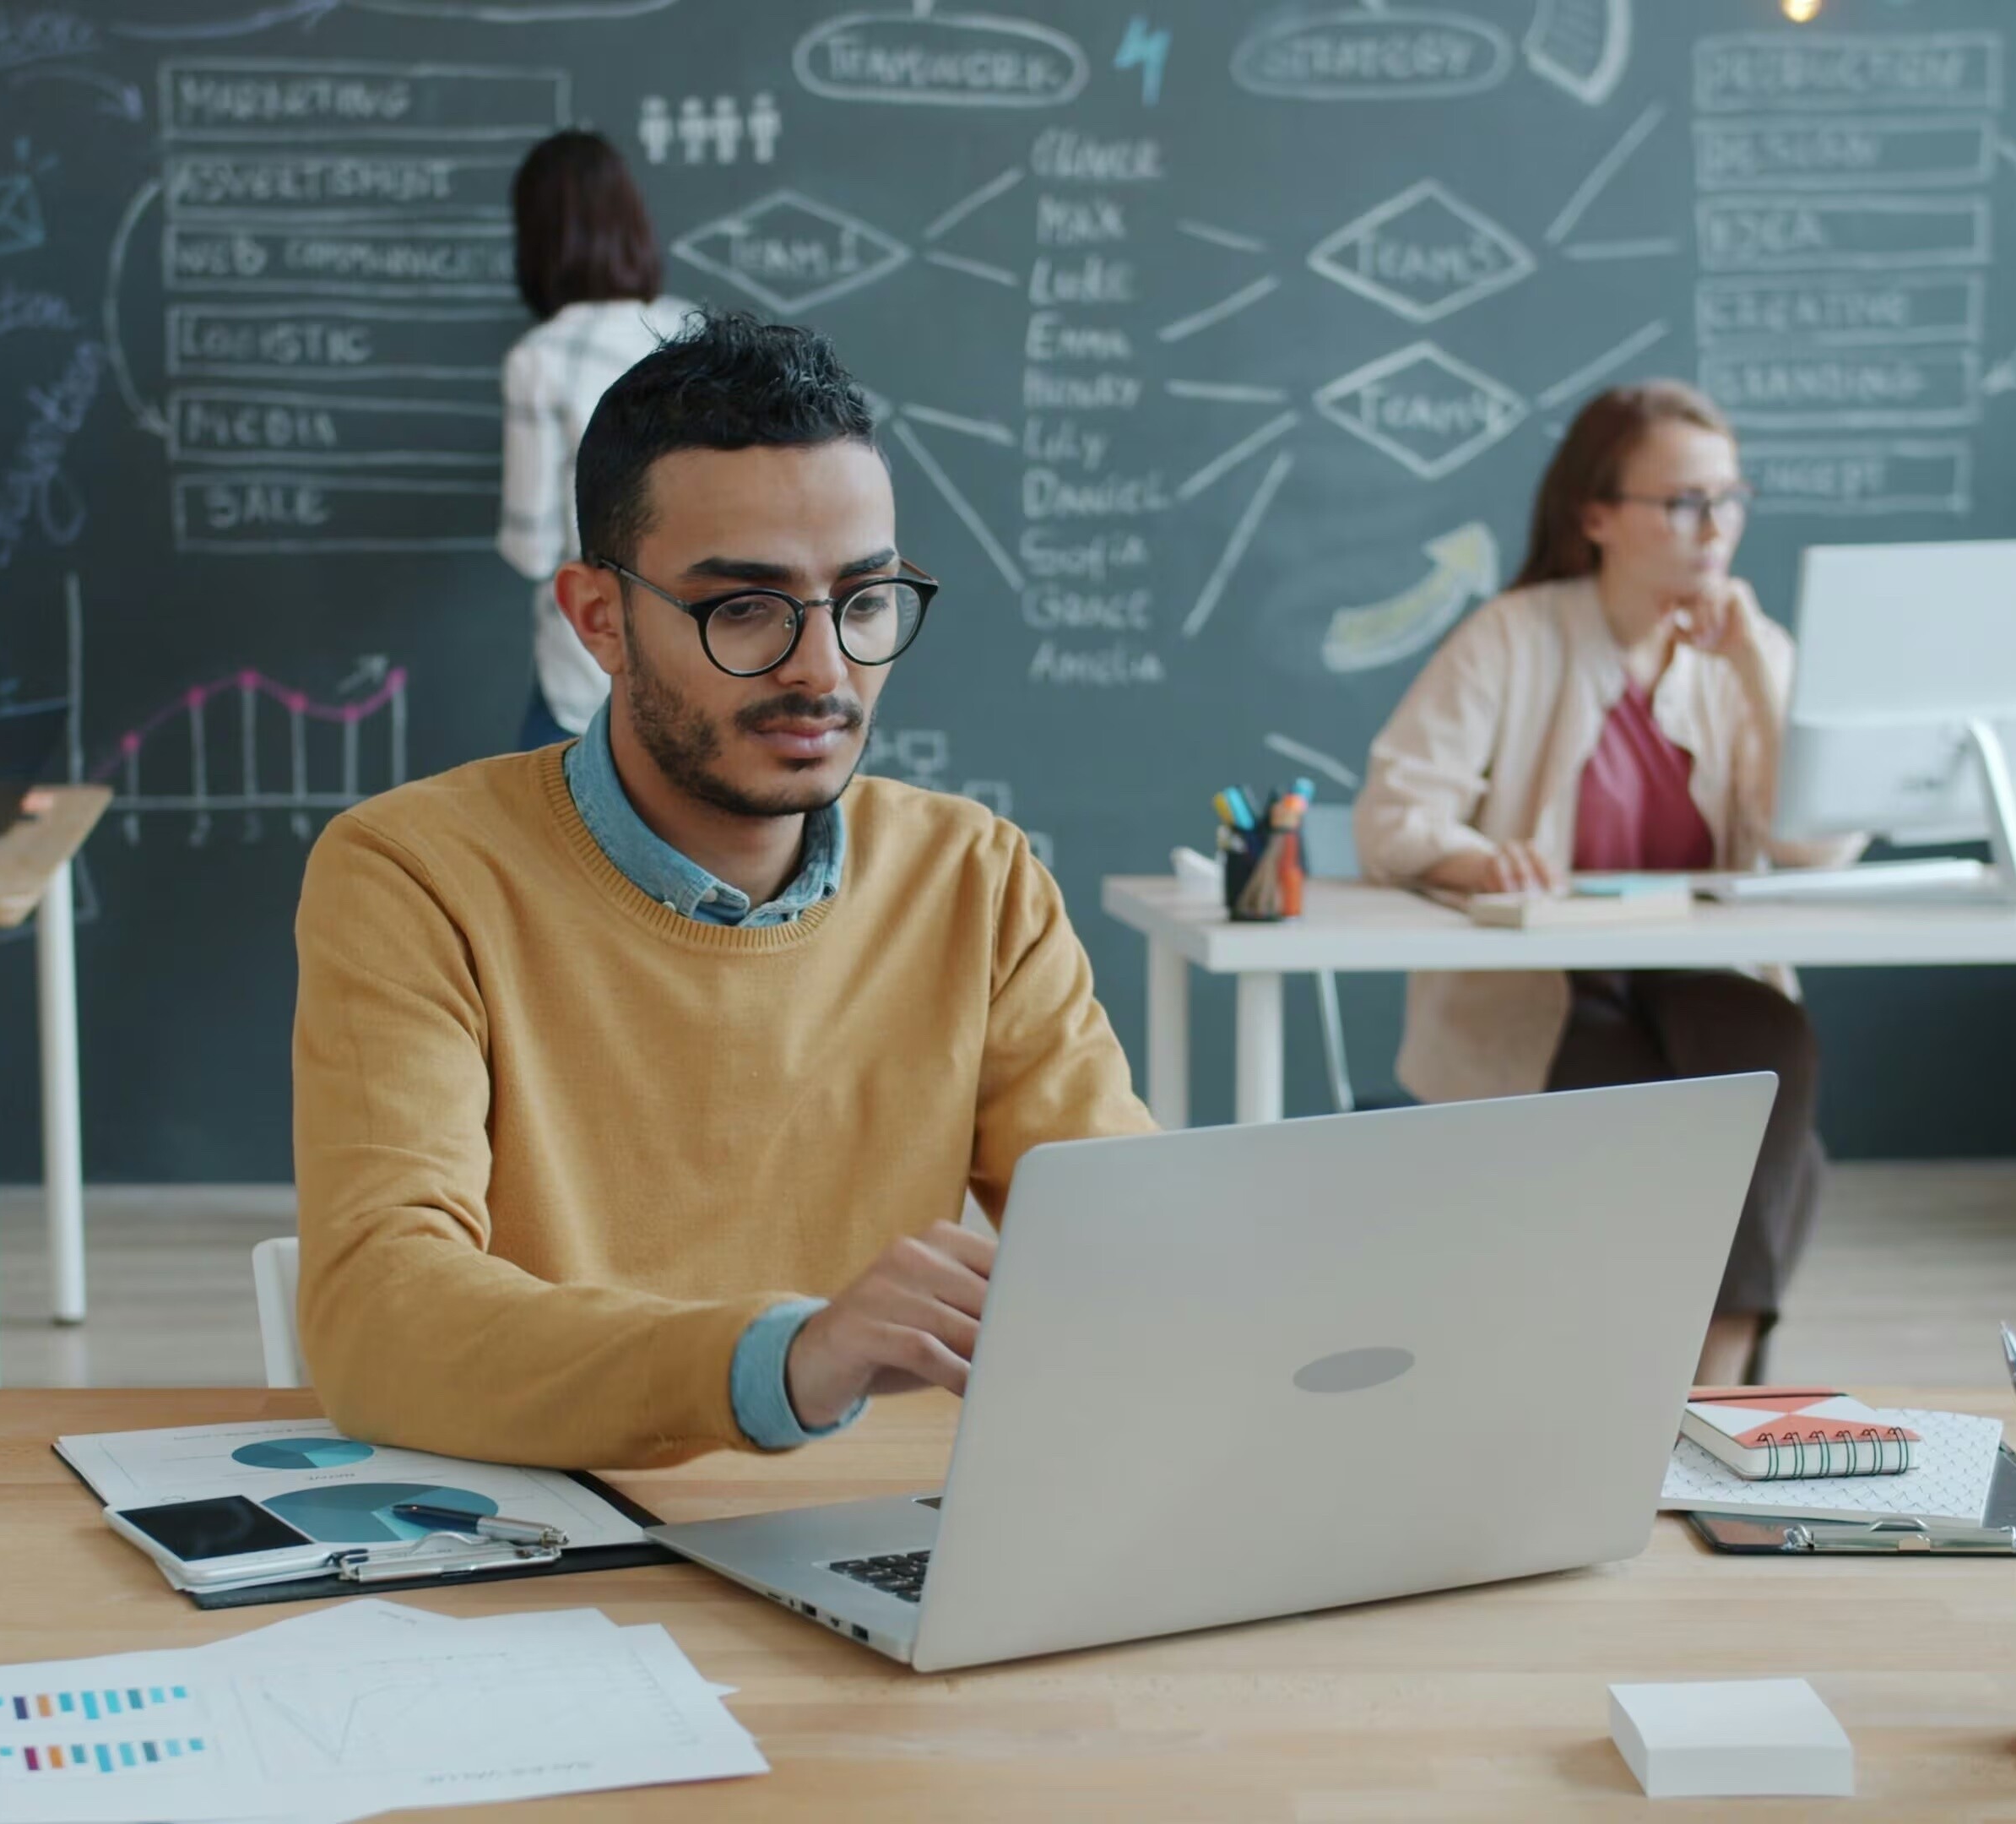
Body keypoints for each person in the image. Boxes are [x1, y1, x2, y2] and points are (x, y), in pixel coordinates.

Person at [295, 311, 1153, 1468]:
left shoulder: (977, 881)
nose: (822, 669)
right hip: (547, 1557)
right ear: (598, 619)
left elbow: (1134, 1247)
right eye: (743, 608)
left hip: (869, 1548)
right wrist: (784, 1361)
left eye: (863, 602)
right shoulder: (415, 875)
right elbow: (379, 1324)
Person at [1352, 382, 1863, 1384]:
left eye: (1729, 498)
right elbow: (1393, 816)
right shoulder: (1513, 634)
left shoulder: (1750, 646)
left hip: (1696, 973)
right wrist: (1479, 858)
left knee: (1773, 1044)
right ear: (1597, 516)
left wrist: (1757, 674)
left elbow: (1820, 847)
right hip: (1550, 988)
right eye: (1682, 502)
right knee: (1729, 1150)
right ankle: (1663, 1389)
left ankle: (1705, 1375)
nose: (1714, 527)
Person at [496, 130, 696, 750]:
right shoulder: (693, 332)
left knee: (538, 835)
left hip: (586, 670)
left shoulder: (541, 359)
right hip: (698, 647)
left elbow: (531, 547)